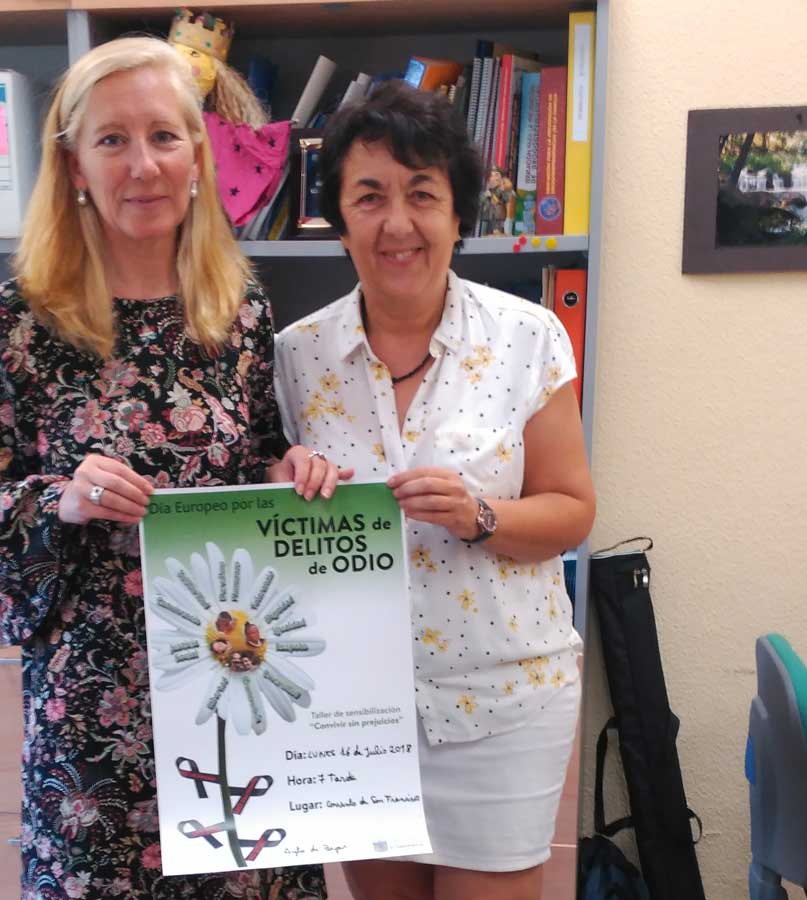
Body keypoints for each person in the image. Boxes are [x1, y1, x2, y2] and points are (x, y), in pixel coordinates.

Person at [0, 37, 336, 900]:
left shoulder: (236, 307)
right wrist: (63, 498)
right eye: (112, 140)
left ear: (198, 156)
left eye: (164, 136)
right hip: (97, 718)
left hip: (238, 694)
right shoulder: (21, 319)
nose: (143, 165)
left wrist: (290, 470)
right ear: (74, 165)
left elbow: (256, 454)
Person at [273, 82, 596, 900]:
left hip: (501, 706)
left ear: (458, 215)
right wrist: (283, 485)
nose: (398, 224)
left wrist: (480, 515)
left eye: (422, 194)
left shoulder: (528, 337)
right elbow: (273, 530)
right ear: (339, 219)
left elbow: (572, 511)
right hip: (353, 710)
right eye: (369, 197)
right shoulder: (294, 356)